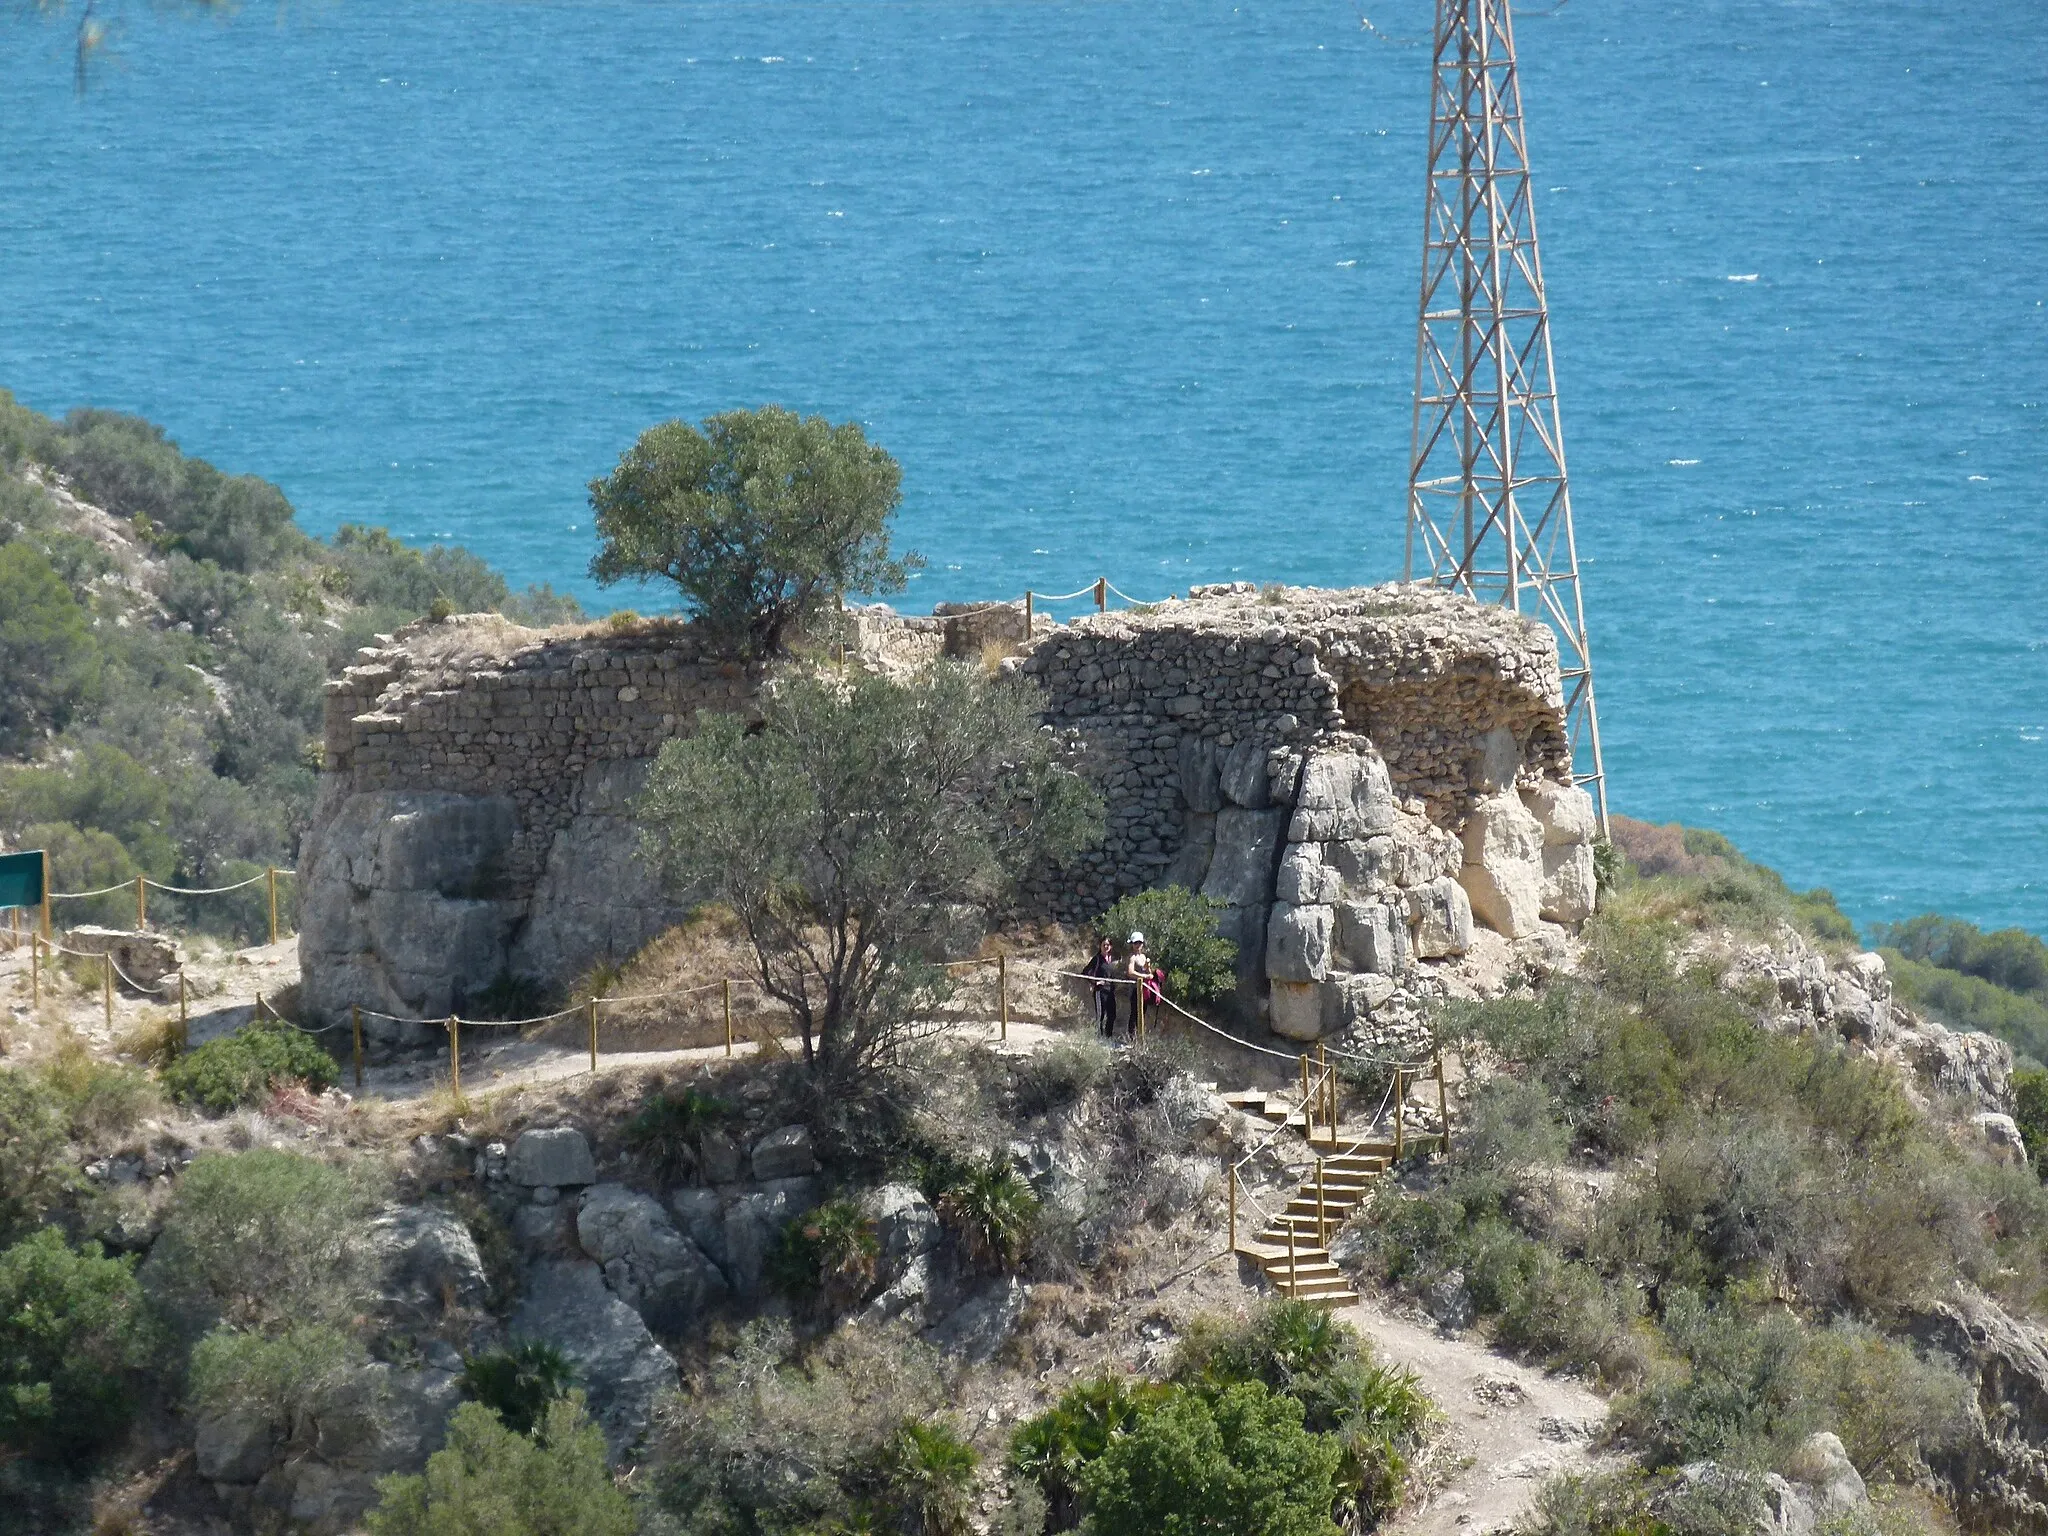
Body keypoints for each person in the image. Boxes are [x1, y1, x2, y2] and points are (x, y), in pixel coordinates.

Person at [1082, 935, 1119, 1038]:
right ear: (1100, 946)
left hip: (1110, 992)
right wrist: (1095, 982)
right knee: (1101, 1015)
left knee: (1112, 1015)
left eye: (1108, 945)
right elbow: (1085, 972)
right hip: (1100, 991)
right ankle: (1099, 1037)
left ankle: (1108, 1037)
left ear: (1111, 946)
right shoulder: (1097, 959)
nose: (1106, 947)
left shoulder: (1111, 960)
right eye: (1104, 945)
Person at [1123, 932, 1156, 1036]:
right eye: (1135, 943)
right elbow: (1130, 972)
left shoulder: (1143, 957)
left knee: (1142, 1013)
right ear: (1132, 944)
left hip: (1144, 989)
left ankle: (1139, 1036)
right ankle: (1131, 1038)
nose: (1138, 945)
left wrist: (1148, 969)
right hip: (1134, 989)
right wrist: (1145, 976)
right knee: (1135, 1013)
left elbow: (1148, 972)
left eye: (1139, 943)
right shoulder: (1132, 957)